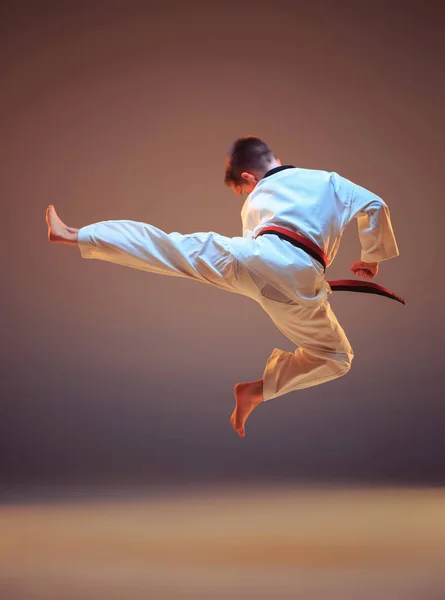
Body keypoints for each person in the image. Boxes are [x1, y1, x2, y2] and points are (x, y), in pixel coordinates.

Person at [46, 136, 401, 438]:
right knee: (336, 358)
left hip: (252, 257)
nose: (247, 192)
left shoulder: (257, 198)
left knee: (168, 247)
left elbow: (264, 251)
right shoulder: (329, 182)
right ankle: (258, 392)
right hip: (298, 282)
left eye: (243, 187)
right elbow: (375, 204)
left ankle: (76, 234)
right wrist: (371, 257)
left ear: (249, 176)